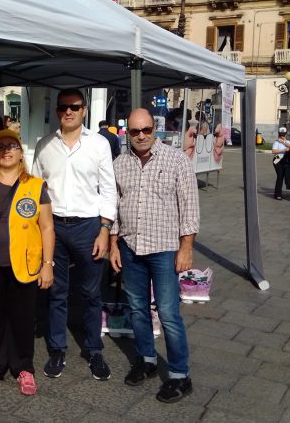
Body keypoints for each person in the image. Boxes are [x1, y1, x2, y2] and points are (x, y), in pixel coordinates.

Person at [109, 108, 198, 404]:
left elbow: (189, 208)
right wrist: (113, 245)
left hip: (164, 248)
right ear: (127, 133)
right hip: (131, 247)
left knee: (169, 313)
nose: (141, 136)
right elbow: (115, 208)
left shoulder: (176, 160)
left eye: (146, 129)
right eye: (135, 132)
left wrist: (186, 247)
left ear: (155, 129)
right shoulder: (120, 163)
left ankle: (179, 375)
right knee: (136, 308)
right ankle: (146, 360)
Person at [32, 88, 117, 381]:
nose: (68, 111)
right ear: (57, 111)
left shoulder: (98, 145)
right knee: (55, 292)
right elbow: (36, 192)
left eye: (75, 106)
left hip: (88, 226)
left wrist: (105, 229)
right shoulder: (45, 145)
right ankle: (57, 349)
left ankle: (94, 349)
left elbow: (108, 189)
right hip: (54, 225)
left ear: (84, 111)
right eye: (63, 107)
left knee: (91, 292)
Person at [0, 129, 55, 396]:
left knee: (22, 318)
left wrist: (47, 264)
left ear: (20, 153)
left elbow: (47, 227)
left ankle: (23, 367)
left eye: (12, 146)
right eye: (1, 146)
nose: (7, 150)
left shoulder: (35, 184)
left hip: (25, 264)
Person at [272, 127, 290, 200]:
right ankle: (277, 194)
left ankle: (283, 190)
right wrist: (283, 150)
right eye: (281, 134)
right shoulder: (276, 142)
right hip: (278, 161)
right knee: (280, 177)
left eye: (284, 134)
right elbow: (274, 151)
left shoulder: (287, 141)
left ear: (286, 134)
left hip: (286, 161)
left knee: (287, 176)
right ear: (279, 134)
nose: (282, 136)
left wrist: (283, 142)